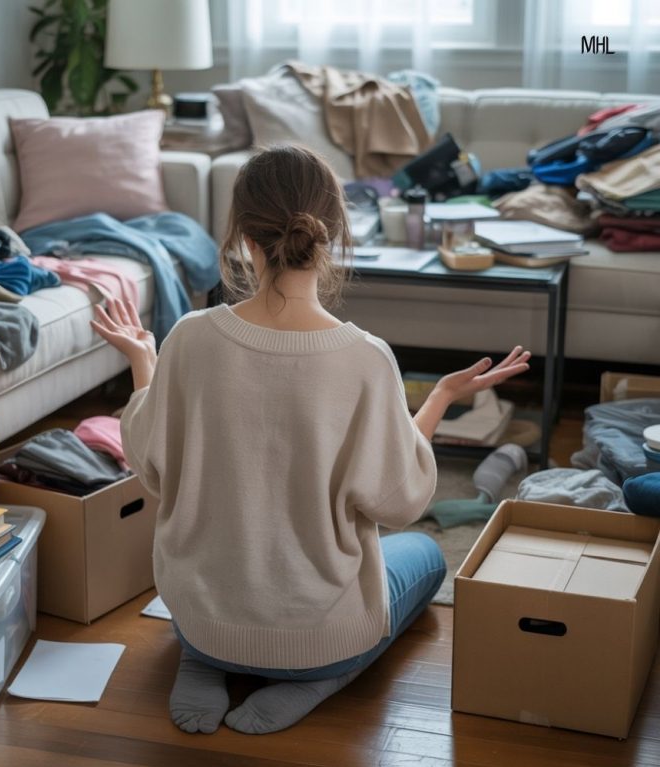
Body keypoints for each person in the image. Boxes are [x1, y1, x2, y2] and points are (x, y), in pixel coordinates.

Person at [91, 144, 531, 736]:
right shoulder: (366, 359)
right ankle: (319, 680)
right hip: (321, 642)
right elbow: (399, 499)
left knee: (211, 602)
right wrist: (439, 401)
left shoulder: (189, 339)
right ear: (334, 233)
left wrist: (146, 361)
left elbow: (148, 461)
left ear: (242, 235)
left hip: (200, 619)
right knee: (425, 558)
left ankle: (201, 658)